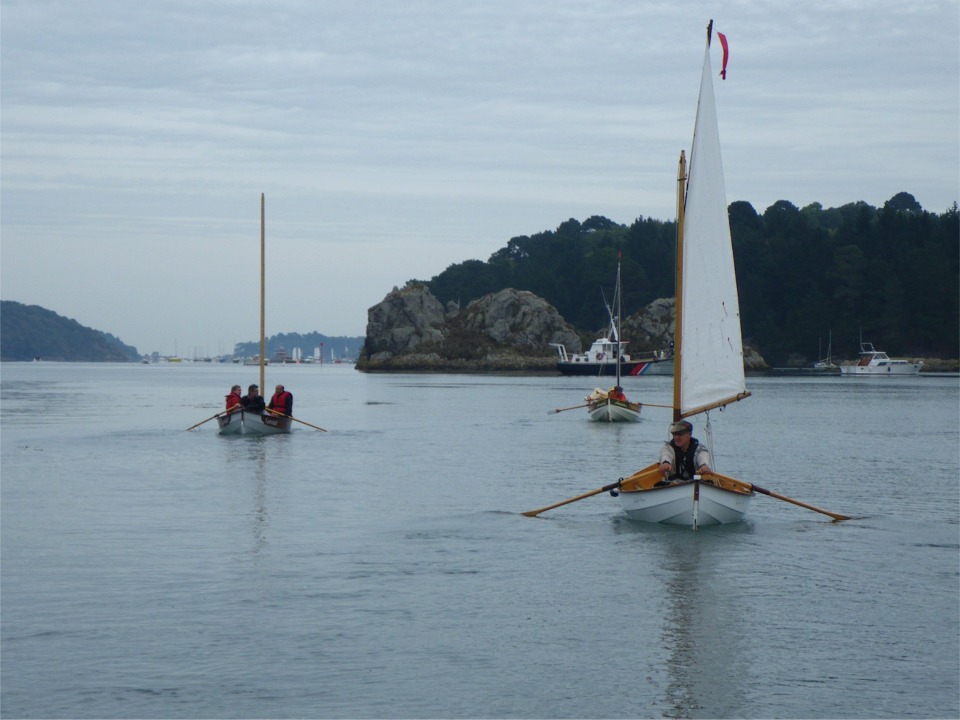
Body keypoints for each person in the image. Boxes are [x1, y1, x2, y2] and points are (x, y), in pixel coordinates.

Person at [657, 420, 712, 485]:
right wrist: (665, 462)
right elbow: (666, 454)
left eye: (680, 434)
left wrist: (704, 465)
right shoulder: (669, 448)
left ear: (689, 435)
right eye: (674, 434)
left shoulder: (699, 449)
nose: (676, 437)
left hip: (696, 482)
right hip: (672, 483)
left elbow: (703, 455)